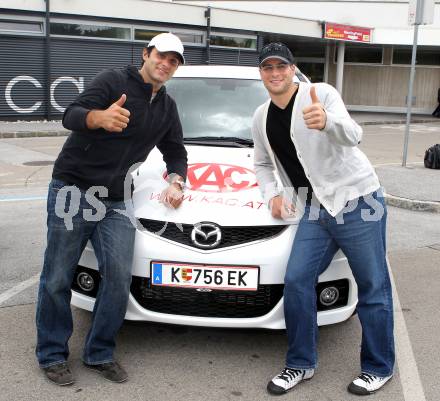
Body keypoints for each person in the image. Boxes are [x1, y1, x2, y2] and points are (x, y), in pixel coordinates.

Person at [36, 32, 188, 385]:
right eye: (161, 56)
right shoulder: (113, 80)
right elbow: (70, 115)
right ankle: (52, 354)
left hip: (117, 197)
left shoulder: (167, 107)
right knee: (58, 277)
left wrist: (177, 180)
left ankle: (99, 352)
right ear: (146, 54)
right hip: (73, 188)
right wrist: (98, 119)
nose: (166, 64)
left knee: (119, 278)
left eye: (174, 60)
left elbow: (175, 150)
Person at [252, 42, 394, 397]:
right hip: (314, 210)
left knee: (373, 286)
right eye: (268, 67)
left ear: (292, 68)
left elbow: (354, 135)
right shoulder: (260, 116)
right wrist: (272, 194)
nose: (274, 73)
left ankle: (378, 368)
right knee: (297, 280)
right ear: (261, 73)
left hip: (356, 201)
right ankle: (300, 363)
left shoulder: (321, 94)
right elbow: (262, 163)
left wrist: (328, 122)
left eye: (280, 66)